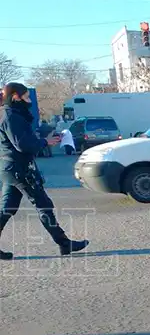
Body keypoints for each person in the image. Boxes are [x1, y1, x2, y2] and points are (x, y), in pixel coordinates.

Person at [0, 83, 89, 259]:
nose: (29, 101)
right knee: (43, 205)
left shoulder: (10, 114)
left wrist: (44, 139)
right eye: (26, 97)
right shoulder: (11, 116)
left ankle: (65, 244)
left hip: (12, 168)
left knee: (7, 208)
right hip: (19, 170)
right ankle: (64, 244)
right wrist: (45, 142)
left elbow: (23, 140)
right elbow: (22, 145)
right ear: (15, 96)